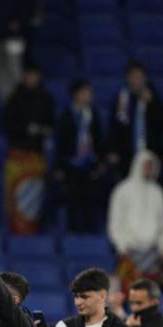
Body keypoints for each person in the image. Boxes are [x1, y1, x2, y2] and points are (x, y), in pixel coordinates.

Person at [0, 64, 54, 234]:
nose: (31, 79)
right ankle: (16, 233)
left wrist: (40, 130)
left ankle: (34, 232)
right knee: (16, 199)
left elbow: (52, 125)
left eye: (34, 75)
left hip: (37, 158)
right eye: (28, 75)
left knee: (34, 200)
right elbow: (6, 125)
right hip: (17, 156)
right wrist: (25, 129)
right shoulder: (14, 100)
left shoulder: (46, 100)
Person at [107, 151, 163, 287]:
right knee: (127, 291)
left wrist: (162, 247)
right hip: (129, 252)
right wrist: (121, 246)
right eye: (146, 165)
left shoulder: (158, 192)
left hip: (153, 253)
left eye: (151, 166)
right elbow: (115, 222)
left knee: (149, 295)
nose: (148, 169)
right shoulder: (122, 190)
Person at [54, 80, 105, 233]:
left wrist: (100, 162)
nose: (87, 97)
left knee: (89, 203)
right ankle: (73, 238)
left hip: (89, 166)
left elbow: (100, 140)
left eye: (89, 93)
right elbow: (60, 143)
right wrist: (59, 167)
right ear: (75, 95)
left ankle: (88, 237)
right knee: (73, 204)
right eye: (84, 93)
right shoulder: (66, 116)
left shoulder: (93, 115)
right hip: (71, 167)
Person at [108, 61, 162, 173]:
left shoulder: (154, 97)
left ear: (145, 78)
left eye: (139, 77)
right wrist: (113, 150)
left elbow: (161, 124)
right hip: (127, 154)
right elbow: (115, 126)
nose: (136, 80)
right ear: (127, 78)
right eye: (133, 77)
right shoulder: (122, 98)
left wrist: (151, 103)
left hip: (148, 154)